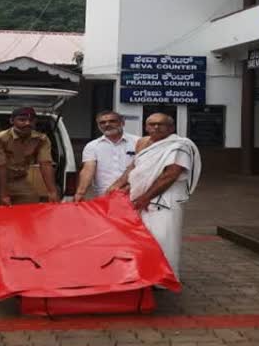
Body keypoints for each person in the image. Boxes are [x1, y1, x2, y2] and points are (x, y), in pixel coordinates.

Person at [107, 113, 201, 279]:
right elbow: (134, 168)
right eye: (151, 124)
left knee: (163, 238)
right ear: (146, 127)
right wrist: (117, 186)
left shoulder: (179, 146)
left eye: (160, 124)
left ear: (171, 128)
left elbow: (170, 175)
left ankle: (163, 278)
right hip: (139, 201)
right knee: (143, 240)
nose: (155, 127)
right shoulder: (143, 143)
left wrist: (145, 197)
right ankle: (145, 274)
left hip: (164, 201)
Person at [0, 107, 59, 205]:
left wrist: (52, 192)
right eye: (22, 120)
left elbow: (45, 164)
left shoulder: (41, 139)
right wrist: (3, 194)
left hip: (19, 179)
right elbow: (0, 166)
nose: (27, 123)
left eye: (31, 120)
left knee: (31, 200)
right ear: (12, 121)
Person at [74, 111, 140, 202]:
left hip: (134, 194)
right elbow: (88, 170)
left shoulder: (138, 142)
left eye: (112, 121)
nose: (107, 124)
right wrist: (80, 192)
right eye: (102, 123)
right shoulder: (92, 146)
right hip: (105, 196)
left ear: (122, 123)